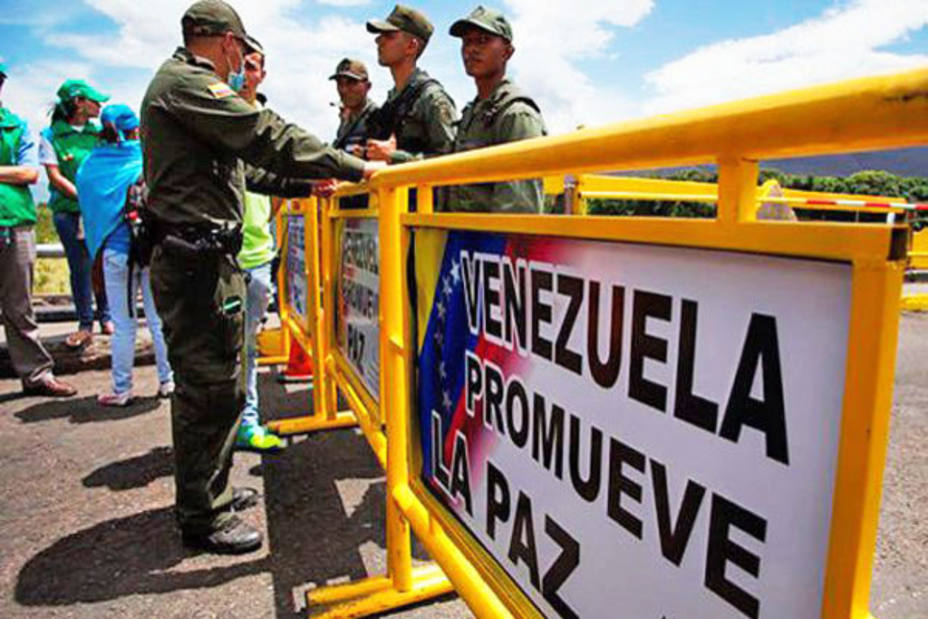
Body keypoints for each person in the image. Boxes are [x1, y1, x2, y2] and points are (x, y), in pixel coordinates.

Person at [141, 0, 383, 555]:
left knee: (224, 379)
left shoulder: (183, 86)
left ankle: (212, 493)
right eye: (241, 51)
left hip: (208, 258)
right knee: (208, 386)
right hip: (196, 262)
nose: (241, 60)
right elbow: (264, 135)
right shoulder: (189, 85)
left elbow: (246, 169)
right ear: (228, 43)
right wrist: (355, 168)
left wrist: (303, 186)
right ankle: (202, 515)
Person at [76, 104, 174, 406]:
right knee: (158, 320)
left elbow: (88, 208)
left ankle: (122, 389)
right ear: (135, 129)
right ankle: (167, 381)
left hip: (116, 254)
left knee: (123, 324)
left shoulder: (89, 166)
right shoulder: (146, 159)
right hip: (148, 250)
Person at [0, 63, 77, 398]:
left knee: (19, 305)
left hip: (15, 221)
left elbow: (31, 174)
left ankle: (36, 374)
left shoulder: (16, 126)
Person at [445, 6, 546, 213]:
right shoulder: (473, 113)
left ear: (507, 52)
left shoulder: (516, 114)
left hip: (489, 243)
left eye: (483, 40)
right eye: (466, 41)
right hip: (463, 238)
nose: (471, 49)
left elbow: (517, 211)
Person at [234, 48, 284, 452]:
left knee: (248, 345)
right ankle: (222, 428)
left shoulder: (265, 126)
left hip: (256, 254)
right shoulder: (216, 115)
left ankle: (246, 422)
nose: (244, 73)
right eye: (239, 64)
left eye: (251, 66)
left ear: (262, 74)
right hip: (219, 254)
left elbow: (280, 182)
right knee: (217, 351)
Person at [40, 79, 113, 348]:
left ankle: (106, 316)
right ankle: (85, 321)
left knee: (102, 263)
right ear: (79, 103)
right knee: (79, 266)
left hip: (99, 211)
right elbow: (55, 175)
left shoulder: (98, 134)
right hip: (69, 212)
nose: (99, 105)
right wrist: (83, 198)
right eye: (94, 101)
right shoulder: (52, 137)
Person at [364, 4, 456, 164]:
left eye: (389, 36)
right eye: (380, 36)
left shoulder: (432, 99)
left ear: (411, 46)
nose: (379, 41)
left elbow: (450, 160)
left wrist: (395, 157)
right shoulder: (392, 101)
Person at [330, 58, 378, 209]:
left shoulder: (378, 118)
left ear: (367, 86)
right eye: (340, 84)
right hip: (346, 206)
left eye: (351, 83)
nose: (343, 90)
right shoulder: (346, 122)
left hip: (370, 208)